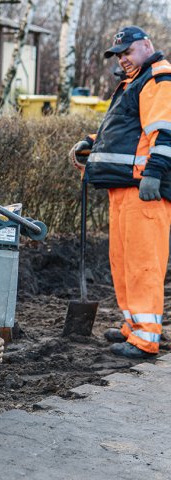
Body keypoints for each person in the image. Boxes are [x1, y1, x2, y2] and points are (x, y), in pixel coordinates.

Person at [70, 26, 171, 359]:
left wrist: (154, 174)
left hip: (144, 190)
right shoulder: (134, 82)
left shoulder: (158, 78)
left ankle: (146, 338)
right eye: (118, 55)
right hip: (125, 188)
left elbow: (165, 131)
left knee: (143, 265)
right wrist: (92, 144)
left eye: (128, 52)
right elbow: (125, 132)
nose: (123, 59)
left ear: (146, 46)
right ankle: (134, 326)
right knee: (124, 263)